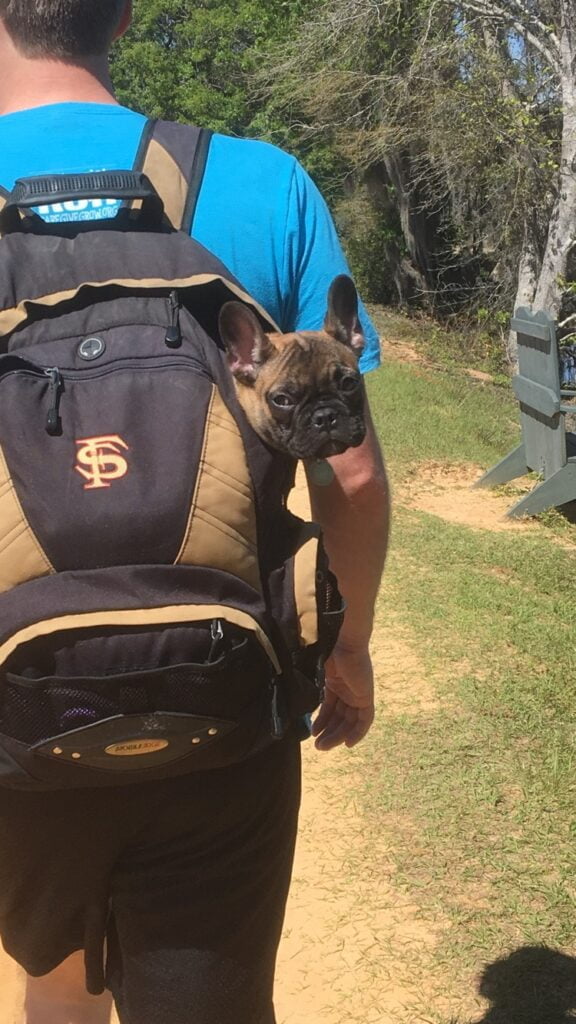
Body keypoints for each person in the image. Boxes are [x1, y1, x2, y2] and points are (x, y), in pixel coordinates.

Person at [0, 2, 390, 1022]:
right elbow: (349, 470)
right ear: (124, 20)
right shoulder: (262, 183)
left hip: (17, 711)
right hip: (224, 698)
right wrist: (345, 654)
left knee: (58, 980)